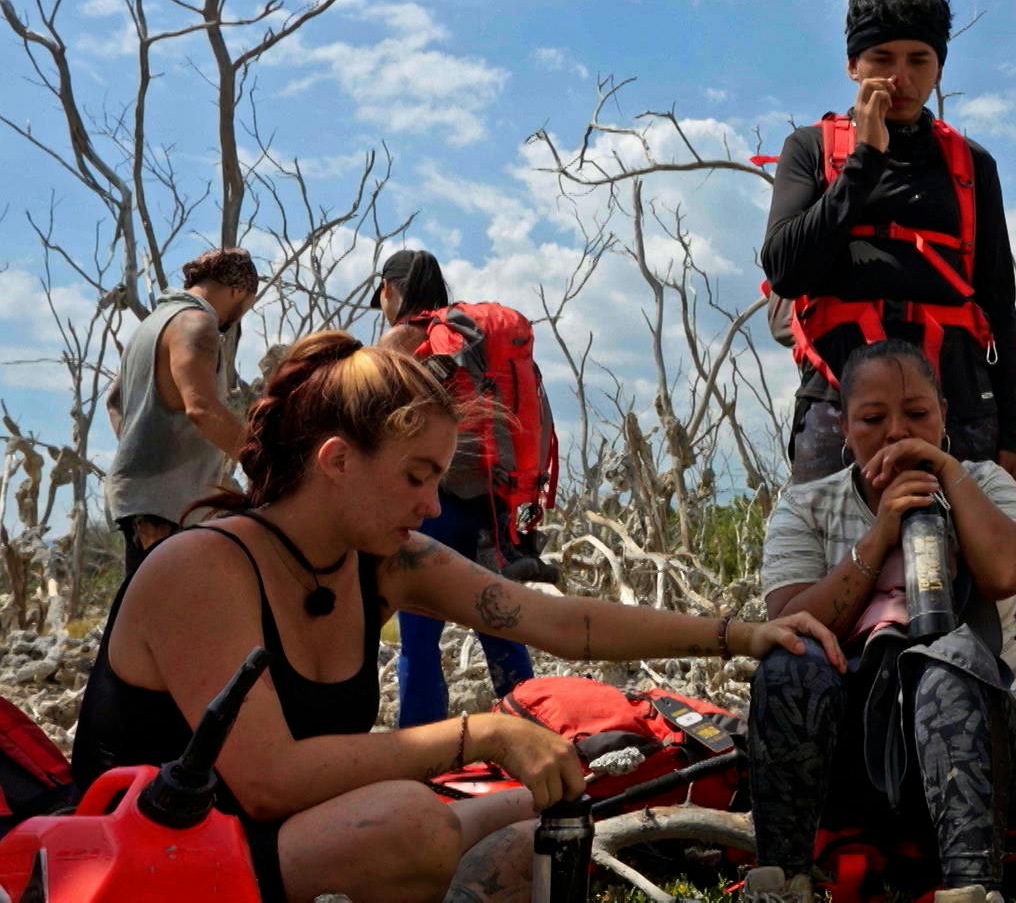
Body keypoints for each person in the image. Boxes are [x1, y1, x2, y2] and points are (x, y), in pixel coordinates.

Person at [71, 330, 839, 903]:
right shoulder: (204, 567)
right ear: (337, 461)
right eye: (416, 476)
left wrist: (743, 636)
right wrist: (482, 734)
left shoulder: (382, 561)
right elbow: (269, 781)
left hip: (277, 845)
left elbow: (559, 623)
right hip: (145, 859)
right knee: (410, 825)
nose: (432, 506)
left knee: (545, 814)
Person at [745, 338, 1016, 903]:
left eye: (917, 414)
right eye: (873, 419)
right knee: (789, 666)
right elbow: (786, 624)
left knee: (949, 666)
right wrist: (880, 535)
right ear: (845, 426)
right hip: (847, 755)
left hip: (979, 743)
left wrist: (947, 474)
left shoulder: (983, 482)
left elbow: (1010, 572)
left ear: (944, 415)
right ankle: (784, 878)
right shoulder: (806, 506)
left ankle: (972, 889)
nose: (896, 433)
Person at [761, 0, 1016, 488]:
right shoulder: (811, 150)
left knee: (980, 544)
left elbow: (998, 303)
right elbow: (787, 271)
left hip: (958, 407)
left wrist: (1010, 437)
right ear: (853, 65)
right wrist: (865, 159)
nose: (900, 78)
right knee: (825, 543)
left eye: (918, 59)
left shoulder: (972, 166)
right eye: (882, 58)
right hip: (839, 405)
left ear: (939, 69)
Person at [370, 248, 545, 727]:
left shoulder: (402, 338)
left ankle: (420, 747)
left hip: (432, 507)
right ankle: (534, 727)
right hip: (493, 504)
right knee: (500, 623)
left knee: (419, 638)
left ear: (389, 289)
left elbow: (367, 418)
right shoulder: (474, 338)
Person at [105, 246, 258, 580]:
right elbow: (201, 408)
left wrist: (142, 450)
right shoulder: (197, 323)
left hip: (141, 497)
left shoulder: (151, 326)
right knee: (165, 606)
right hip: (167, 505)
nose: (240, 316)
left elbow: (114, 403)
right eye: (248, 304)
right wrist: (262, 459)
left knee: (146, 602)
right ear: (238, 291)